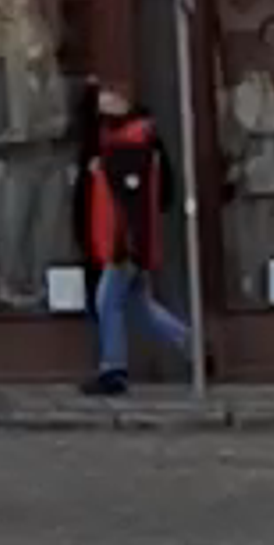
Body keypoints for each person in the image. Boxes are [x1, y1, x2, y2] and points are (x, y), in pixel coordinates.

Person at [74, 76, 194, 399]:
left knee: (106, 302)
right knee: (140, 307)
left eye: (108, 96)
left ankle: (113, 370)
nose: (104, 103)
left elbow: (139, 193)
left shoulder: (134, 140)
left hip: (124, 241)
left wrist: (129, 239)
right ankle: (192, 345)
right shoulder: (115, 136)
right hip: (122, 239)